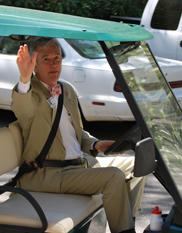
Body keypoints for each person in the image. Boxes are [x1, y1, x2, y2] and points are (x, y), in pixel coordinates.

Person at [11, 37, 145, 233]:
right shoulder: (29, 94)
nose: (54, 64)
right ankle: (124, 231)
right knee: (113, 177)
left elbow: (76, 133)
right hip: (49, 174)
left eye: (57, 57)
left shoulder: (66, 89)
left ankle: (128, 220)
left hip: (79, 164)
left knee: (135, 163)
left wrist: (96, 144)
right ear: (35, 66)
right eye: (46, 59)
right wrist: (24, 79)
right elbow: (22, 108)